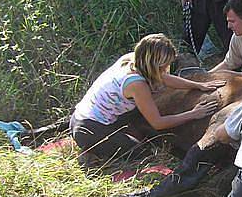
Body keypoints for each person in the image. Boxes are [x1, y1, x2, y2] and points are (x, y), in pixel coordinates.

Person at [70, 34, 222, 163]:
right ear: (154, 65)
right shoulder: (137, 84)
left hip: (80, 118)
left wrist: (198, 85)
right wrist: (193, 114)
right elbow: (158, 123)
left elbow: (166, 78)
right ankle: (93, 154)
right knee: (143, 153)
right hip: (89, 129)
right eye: (164, 66)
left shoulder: (132, 59)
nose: (166, 69)